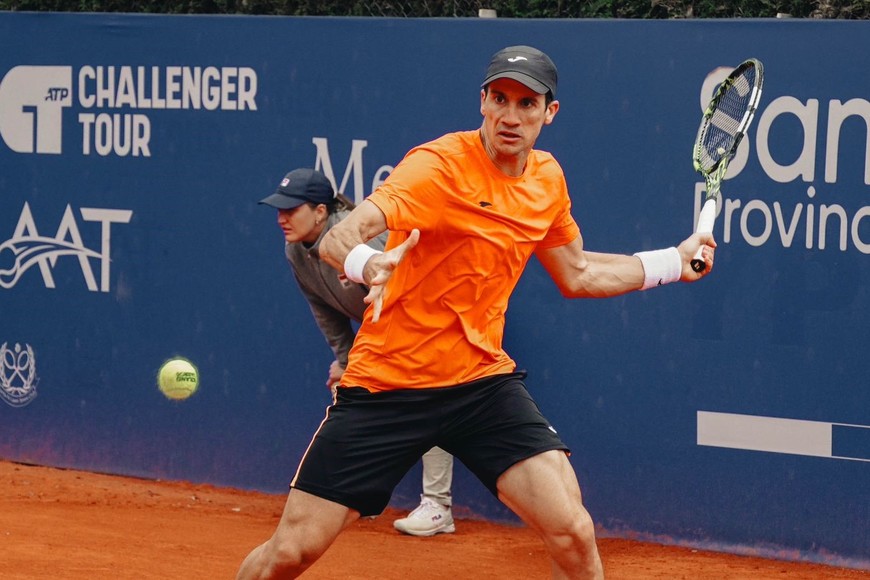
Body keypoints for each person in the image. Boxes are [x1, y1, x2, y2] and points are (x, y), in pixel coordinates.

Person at [238, 45, 716, 580]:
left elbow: (578, 272)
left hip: (479, 382)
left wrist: (672, 263)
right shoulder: (436, 167)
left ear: (548, 113)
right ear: (482, 102)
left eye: (527, 104)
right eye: (500, 99)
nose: (511, 117)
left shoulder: (546, 180)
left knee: (573, 532)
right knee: (290, 552)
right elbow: (339, 237)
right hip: (389, 384)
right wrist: (369, 263)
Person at [258, 167, 457, 537]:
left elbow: (404, 290)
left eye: (291, 209)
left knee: (430, 397)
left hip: (431, 319)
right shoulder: (295, 251)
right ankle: (354, 495)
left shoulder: (363, 237)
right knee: (351, 390)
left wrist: (372, 354)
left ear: (320, 212)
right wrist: (347, 360)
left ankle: (437, 505)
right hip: (382, 329)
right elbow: (324, 309)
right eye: (279, 209)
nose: (281, 218)